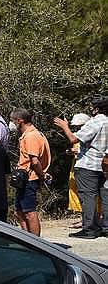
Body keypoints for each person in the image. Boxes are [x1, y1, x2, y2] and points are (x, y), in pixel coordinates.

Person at [54, 95, 108, 238]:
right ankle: (105, 227)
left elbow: (73, 139)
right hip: (105, 165)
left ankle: (90, 229)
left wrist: (65, 127)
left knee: (88, 197)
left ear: (96, 109)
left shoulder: (95, 122)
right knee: (105, 195)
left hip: (89, 164)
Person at [11, 108, 51, 236]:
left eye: (13, 121)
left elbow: (34, 161)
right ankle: (27, 238)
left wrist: (42, 175)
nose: (11, 124)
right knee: (20, 211)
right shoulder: (29, 135)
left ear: (20, 121)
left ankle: (36, 242)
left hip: (29, 178)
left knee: (29, 211)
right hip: (24, 179)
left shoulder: (31, 136)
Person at [67, 113, 92, 228]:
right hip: (77, 165)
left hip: (87, 166)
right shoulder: (79, 134)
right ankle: (83, 218)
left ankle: (88, 220)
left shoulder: (91, 132)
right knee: (76, 192)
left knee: (87, 194)